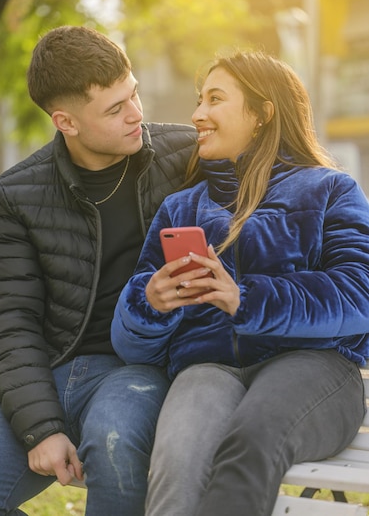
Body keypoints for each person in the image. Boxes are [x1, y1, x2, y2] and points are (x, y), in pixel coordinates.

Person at [111, 49, 369, 516]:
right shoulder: (181, 209)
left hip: (314, 366)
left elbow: (359, 294)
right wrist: (149, 304)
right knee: (176, 464)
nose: (197, 115)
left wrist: (245, 298)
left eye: (215, 99)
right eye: (198, 100)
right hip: (207, 368)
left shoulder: (330, 189)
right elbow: (133, 348)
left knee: (251, 441)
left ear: (262, 113)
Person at [0, 25, 196, 516]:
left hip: (141, 368)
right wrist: (41, 426)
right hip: (49, 368)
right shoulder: (16, 195)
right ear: (66, 121)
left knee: (115, 443)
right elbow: (10, 322)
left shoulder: (186, 156)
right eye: (114, 109)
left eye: (134, 95)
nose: (136, 115)